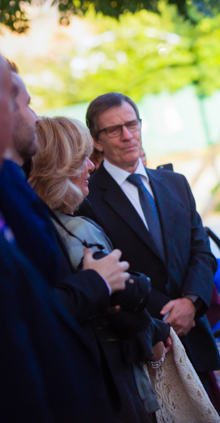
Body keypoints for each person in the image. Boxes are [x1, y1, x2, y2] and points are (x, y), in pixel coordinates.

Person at [78, 93, 220, 401]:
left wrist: (190, 302)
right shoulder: (87, 201)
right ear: (97, 141)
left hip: (194, 334)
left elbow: (201, 252)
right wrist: (168, 314)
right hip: (142, 341)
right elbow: (109, 271)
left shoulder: (176, 184)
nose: (127, 135)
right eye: (114, 130)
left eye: (132, 124)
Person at [29, 116, 172, 423]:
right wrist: (152, 333)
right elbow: (120, 310)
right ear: (60, 167)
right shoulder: (78, 232)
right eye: (82, 159)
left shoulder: (35, 231)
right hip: (114, 388)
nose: (92, 166)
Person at [0, 55, 117, 423]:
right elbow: (31, 312)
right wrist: (97, 284)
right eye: (24, 103)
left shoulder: (12, 186)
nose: (35, 118)